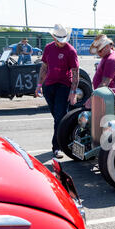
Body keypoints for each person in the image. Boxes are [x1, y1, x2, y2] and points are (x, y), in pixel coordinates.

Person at [34, 24, 80, 159]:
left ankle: (57, 147)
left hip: (64, 86)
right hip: (49, 86)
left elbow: (75, 73)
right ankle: (68, 137)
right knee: (58, 117)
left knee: (59, 117)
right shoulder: (48, 48)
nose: (61, 42)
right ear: (54, 37)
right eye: (58, 39)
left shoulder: (71, 51)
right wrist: (39, 84)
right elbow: (44, 67)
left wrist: (73, 92)